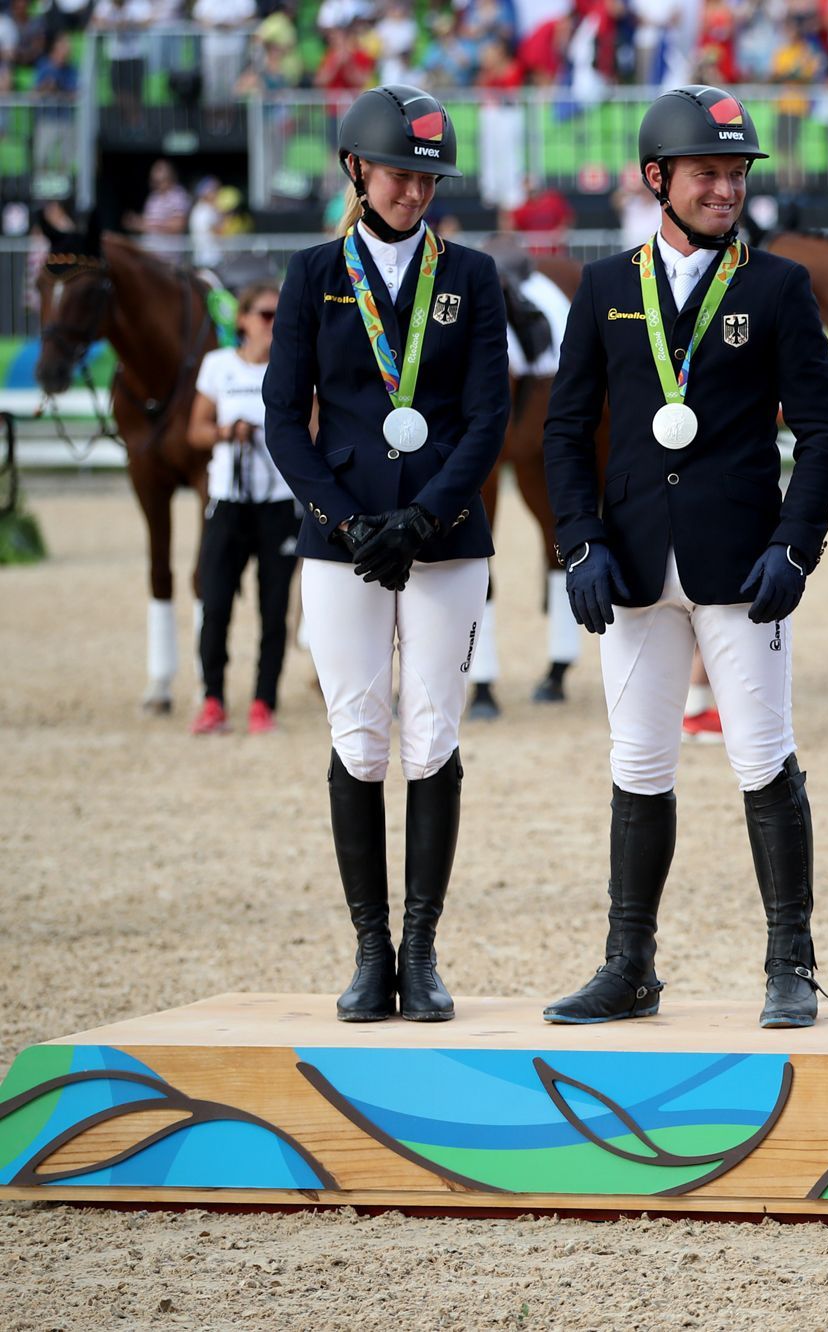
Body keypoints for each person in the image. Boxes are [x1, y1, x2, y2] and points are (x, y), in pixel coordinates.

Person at [539, 85, 828, 1030]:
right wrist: (578, 542)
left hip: (740, 561)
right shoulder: (601, 287)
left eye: (736, 174)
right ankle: (628, 965)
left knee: (762, 757)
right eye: (708, 174)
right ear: (657, 180)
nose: (725, 189)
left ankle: (790, 964)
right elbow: (563, 431)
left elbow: (825, 430)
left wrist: (796, 546)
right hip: (630, 562)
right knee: (639, 763)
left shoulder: (778, 285)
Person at [263, 84, 510, 1024]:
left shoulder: (472, 276)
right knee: (359, 735)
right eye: (401, 172)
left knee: (433, 734)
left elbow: (488, 417)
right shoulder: (312, 273)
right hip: (341, 541)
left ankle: (422, 949)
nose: (416, 189)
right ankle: (370, 951)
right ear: (357, 170)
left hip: (446, 539)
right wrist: (343, 520)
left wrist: (428, 517)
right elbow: (285, 418)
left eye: (429, 175)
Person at [187, 279, 296, 737]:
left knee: (274, 609)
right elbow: (195, 431)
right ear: (244, 321)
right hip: (228, 501)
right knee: (215, 603)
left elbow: (312, 430)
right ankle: (212, 698)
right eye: (267, 315)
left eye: (280, 316)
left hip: (276, 503)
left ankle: (263, 702)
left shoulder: (293, 368)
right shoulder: (218, 366)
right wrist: (226, 432)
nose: (274, 325)